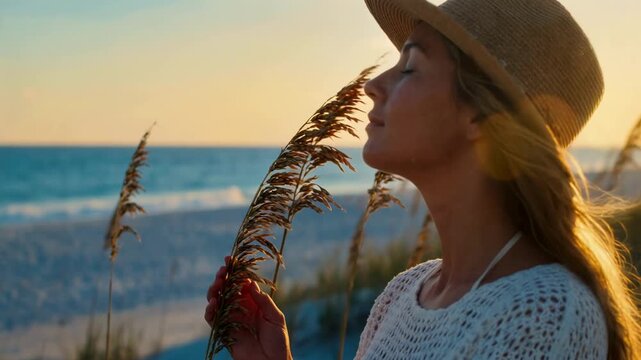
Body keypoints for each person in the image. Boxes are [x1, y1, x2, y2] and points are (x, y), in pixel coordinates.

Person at [205, 0, 641, 358]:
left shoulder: (541, 314)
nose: (374, 84)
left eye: (410, 66)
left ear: (482, 114)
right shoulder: (405, 294)